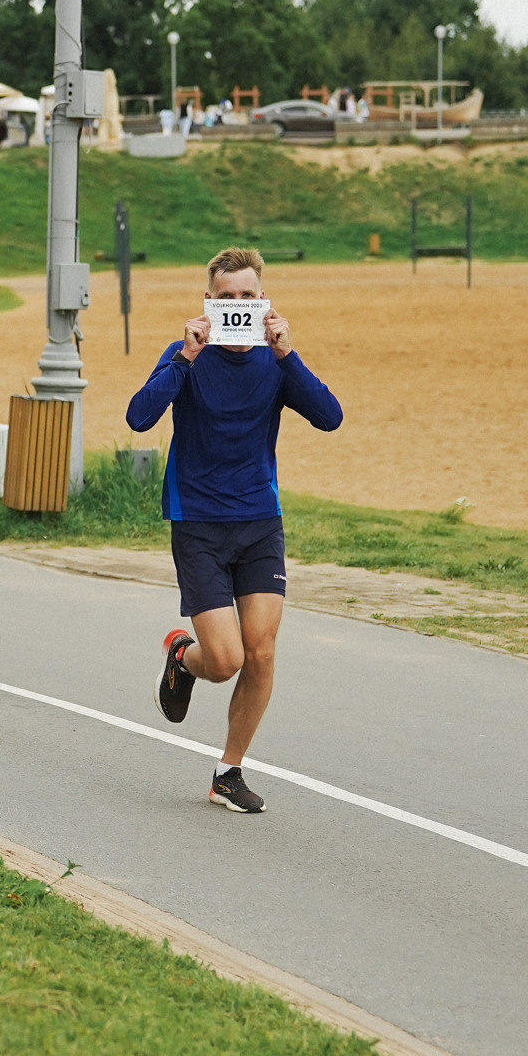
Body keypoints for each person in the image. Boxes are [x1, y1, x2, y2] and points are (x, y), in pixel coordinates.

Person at [126, 247, 343, 815]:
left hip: (258, 522)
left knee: (262, 652)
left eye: (249, 297)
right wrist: (184, 359)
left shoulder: (276, 362)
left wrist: (289, 355)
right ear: (209, 302)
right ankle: (183, 657)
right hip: (197, 521)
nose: (238, 306)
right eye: (227, 299)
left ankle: (229, 771)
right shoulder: (186, 356)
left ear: (263, 301)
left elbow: (330, 416)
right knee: (224, 662)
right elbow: (138, 417)